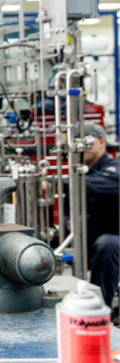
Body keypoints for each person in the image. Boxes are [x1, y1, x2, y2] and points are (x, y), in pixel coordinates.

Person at [80, 123, 120, 307]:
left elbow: (97, 186)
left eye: (87, 141)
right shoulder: (78, 171)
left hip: (112, 238)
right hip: (86, 236)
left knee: (108, 244)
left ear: (102, 142)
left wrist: (61, 181)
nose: (81, 147)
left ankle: (100, 310)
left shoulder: (114, 167)